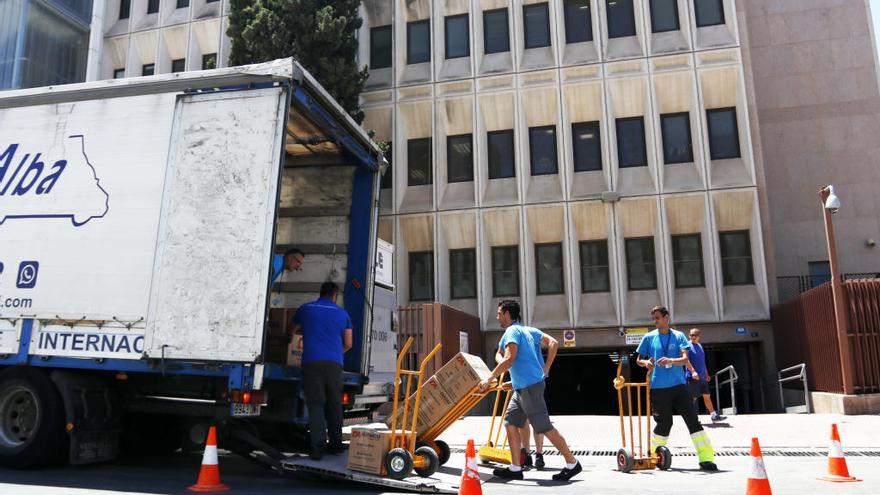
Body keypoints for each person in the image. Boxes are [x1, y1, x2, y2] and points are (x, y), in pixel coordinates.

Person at [479, 300, 581, 481]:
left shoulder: (512, 331)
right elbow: (553, 343)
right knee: (510, 422)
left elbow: (509, 358)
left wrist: (489, 378)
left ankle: (572, 463)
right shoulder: (527, 331)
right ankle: (516, 467)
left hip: (529, 387)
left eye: (499, 313)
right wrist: (519, 380)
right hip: (522, 388)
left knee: (544, 427)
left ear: (508, 314)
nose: (497, 317)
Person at [635, 306, 718, 471]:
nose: (655, 321)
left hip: (679, 387)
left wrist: (671, 361)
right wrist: (646, 363)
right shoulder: (649, 337)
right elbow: (638, 359)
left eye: (657, 317)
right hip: (658, 388)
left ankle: (706, 458)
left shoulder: (679, 336)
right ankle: (654, 456)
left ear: (666, 317)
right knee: (665, 423)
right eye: (653, 318)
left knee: (692, 420)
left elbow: (685, 359)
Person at [291, 281, 353, 460]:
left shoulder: (306, 308)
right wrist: (335, 353)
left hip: (312, 362)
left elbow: (292, 330)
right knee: (334, 404)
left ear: (321, 293)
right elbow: (349, 343)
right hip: (334, 364)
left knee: (316, 404)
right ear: (335, 296)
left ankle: (317, 447)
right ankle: (335, 445)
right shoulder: (342, 314)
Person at [495, 324, 557, 470]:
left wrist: (546, 368)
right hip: (523, 382)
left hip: (532, 381)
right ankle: (529, 455)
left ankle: (539, 454)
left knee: (537, 421)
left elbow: (553, 342)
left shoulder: (528, 332)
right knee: (522, 420)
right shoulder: (520, 334)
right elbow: (502, 354)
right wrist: (508, 369)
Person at [685, 328, 727, 422]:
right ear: (689, 335)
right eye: (691, 335)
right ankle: (691, 418)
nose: (693, 337)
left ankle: (714, 416)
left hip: (702, 377)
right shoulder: (687, 346)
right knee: (693, 398)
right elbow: (686, 360)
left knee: (707, 395)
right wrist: (693, 372)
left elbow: (702, 362)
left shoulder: (700, 346)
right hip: (692, 377)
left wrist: (706, 374)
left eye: (695, 335)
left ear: (699, 336)